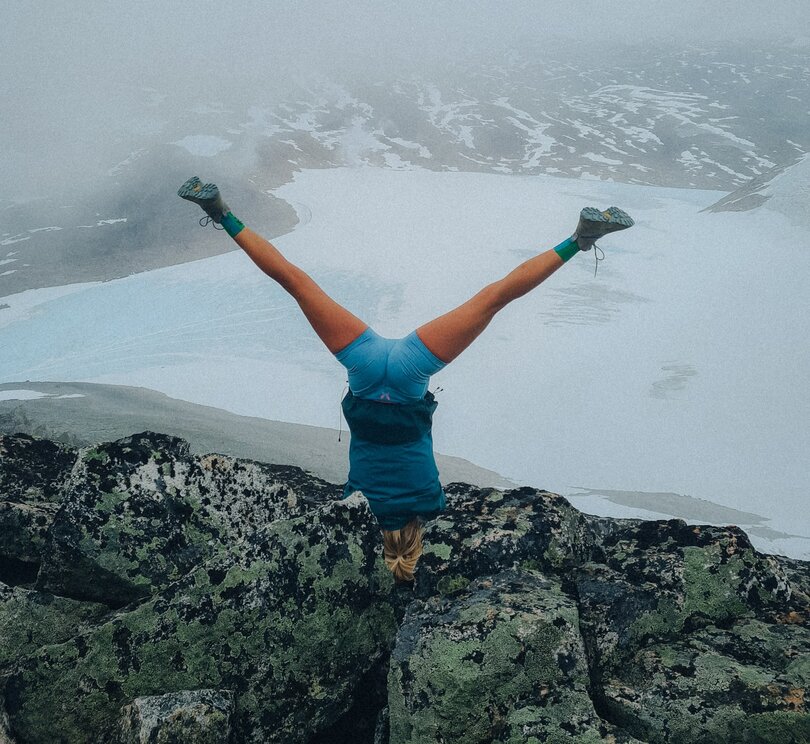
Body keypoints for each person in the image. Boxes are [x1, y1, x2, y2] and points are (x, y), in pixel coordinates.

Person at [178, 176, 634, 582]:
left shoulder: (428, 504)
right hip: (365, 366)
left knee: (493, 299)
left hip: (411, 371)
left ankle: (579, 239)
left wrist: (410, 553)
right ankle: (222, 213)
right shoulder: (357, 503)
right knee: (296, 283)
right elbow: (359, 507)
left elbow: (431, 513)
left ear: (417, 540)